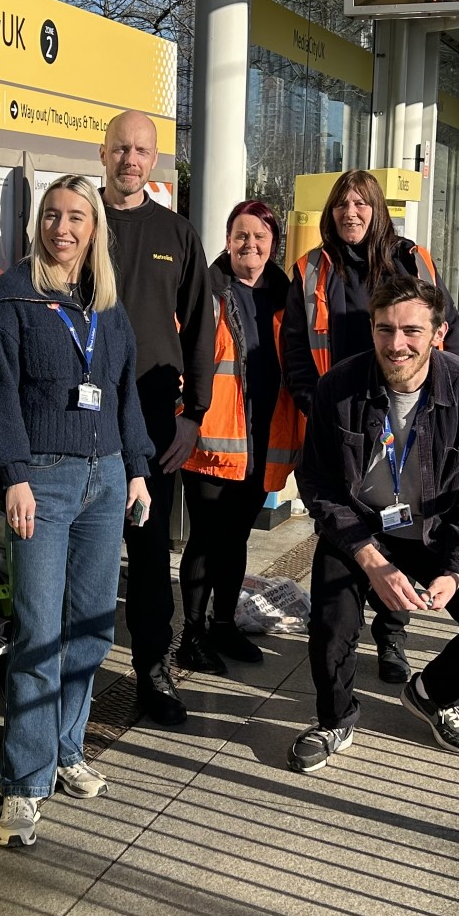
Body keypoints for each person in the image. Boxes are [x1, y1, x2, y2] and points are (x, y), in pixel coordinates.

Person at [0, 173, 155, 850]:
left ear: (94, 229)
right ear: (38, 225)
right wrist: (13, 478)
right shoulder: (14, 300)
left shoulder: (105, 305)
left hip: (105, 483)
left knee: (91, 630)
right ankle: (23, 782)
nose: (63, 227)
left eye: (76, 216)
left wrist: (137, 468)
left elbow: (122, 391)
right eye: (52, 215)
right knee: (39, 635)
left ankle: (66, 750)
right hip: (42, 488)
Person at [291, 276, 459, 773]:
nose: (397, 345)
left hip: (437, 528)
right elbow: (316, 483)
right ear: (371, 330)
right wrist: (370, 560)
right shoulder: (339, 387)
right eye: (384, 329)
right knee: (332, 627)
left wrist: (455, 571)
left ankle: (432, 695)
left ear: (438, 333)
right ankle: (335, 720)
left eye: (412, 330)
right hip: (360, 527)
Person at [282, 169, 459, 686]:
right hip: (342, 426)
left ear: (378, 209)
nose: (351, 213)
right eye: (342, 204)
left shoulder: (412, 258)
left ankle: (393, 634)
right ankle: (342, 637)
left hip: (408, 421)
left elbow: (445, 334)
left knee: (402, 524)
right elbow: (295, 349)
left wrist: (446, 408)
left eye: (362, 203)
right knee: (346, 528)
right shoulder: (310, 268)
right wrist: (313, 404)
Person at [97, 109, 216, 726]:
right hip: (81, 420)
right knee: (82, 552)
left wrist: (194, 413)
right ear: (103, 152)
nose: (131, 160)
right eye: (121, 148)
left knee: (147, 553)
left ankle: (152, 669)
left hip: (152, 419)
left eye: (142, 150)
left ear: (154, 159)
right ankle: (74, 675)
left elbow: (202, 328)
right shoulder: (77, 223)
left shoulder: (177, 233)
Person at [176, 200, 304, 673]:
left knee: (235, 540)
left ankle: (223, 625)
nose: (249, 244)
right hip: (212, 443)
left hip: (261, 440)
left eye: (259, 237)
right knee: (207, 540)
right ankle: (191, 635)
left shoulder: (285, 293)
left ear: (274, 243)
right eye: (240, 235)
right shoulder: (206, 290)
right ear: (228, 240)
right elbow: (183, 362)